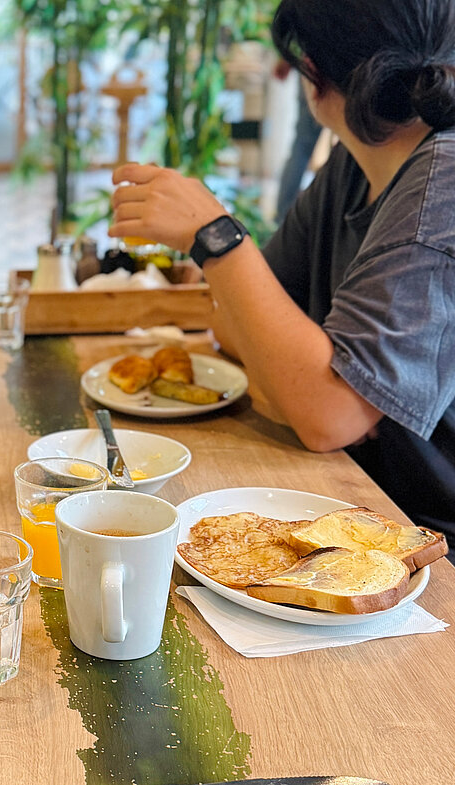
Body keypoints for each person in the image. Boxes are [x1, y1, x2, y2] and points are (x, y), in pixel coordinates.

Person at [109, 0, 455, 556]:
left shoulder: (443, 185)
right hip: (346, 501)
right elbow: (238, 330)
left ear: (313, 72)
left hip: (422, 546)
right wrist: (294, 377)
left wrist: (214, 237)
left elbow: (327, 416)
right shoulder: (354, 165)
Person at [273, 57, 325, 222]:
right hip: (320, 64)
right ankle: (284, 215)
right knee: (304, 145)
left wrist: (286, 58)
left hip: (312, 62)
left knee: (302, 145)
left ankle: (283, 215)